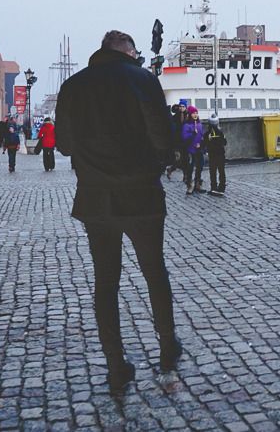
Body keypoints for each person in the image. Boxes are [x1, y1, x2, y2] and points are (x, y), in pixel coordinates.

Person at [56, 30, 182, 396]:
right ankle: (167, 348)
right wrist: (153, 166)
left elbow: (63, 144)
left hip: (96, 199)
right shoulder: (142, 79)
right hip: (141, 194)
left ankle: (116, 363)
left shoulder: (73, 85)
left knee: (106, 282)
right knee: (154, 273)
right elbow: (163, 137)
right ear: (127, 50)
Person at [181, 106, 205, 194]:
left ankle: (197, 183)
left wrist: (201, 144)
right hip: (191, 150)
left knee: (200, 166)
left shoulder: (199, 124)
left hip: (199, 149)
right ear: (190, 114)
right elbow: (184, 137)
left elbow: (202, 136)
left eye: (196, 113)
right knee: (190, 168)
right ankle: (189, 185)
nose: (195, 115)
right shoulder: (187, 125)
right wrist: (192, 134)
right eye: (193, 113)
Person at [204, 114, 227, 196]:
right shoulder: (220, 132)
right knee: (221, 171)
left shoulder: (207, 134)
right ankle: (221, 187)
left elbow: (205, 143)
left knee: (213, 171)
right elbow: (224, 142)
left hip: (213, 154)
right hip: (220, 154)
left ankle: (214, 187)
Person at [165, 103, 187, 180]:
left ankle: (185, 175)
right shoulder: (174, 118)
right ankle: (171, 169)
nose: (180, 108)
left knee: (185, 159)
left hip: (184, 140)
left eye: (182, 107)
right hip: (177, 141)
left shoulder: (186, 115)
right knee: (178, 159)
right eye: (179, 107)